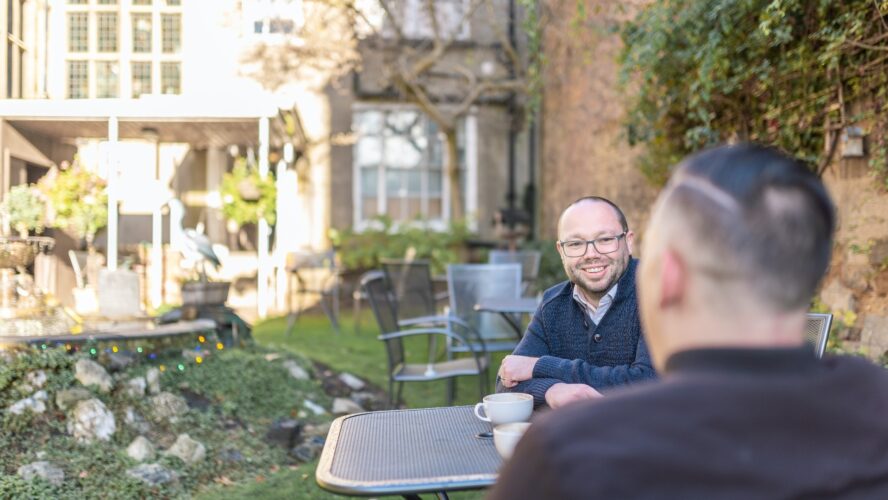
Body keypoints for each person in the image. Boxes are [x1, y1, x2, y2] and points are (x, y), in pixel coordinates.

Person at [489, 143, 888, 499]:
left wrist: (546, 375)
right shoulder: (875, 407)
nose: (593, 253)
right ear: (811, 268)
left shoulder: (571, 452)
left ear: (668, 278)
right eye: (577, 243)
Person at [496, 196, 656, 409]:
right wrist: (552, 391)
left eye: (605, 240)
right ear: (561, 251)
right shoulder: (553, 305)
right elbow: (507, 380)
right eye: (575, 243)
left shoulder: (656, 294)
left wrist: (542, 366)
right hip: (577, 439)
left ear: (628, 242)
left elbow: (650, 382)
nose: (591, 254)